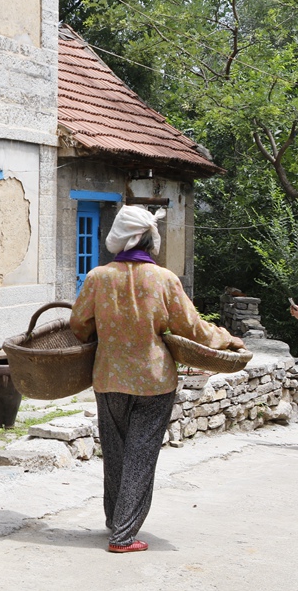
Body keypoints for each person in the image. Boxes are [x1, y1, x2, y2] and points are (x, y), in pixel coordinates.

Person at [70, 205, 243, 554]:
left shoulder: (98, 277)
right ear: (151, 239)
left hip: (108, 377)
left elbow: (79, 325)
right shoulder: (164, 280)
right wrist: (228, 339)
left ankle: (115, 520)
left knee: (116, 453)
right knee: (141, 456)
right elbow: (192, 329)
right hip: (154, 381)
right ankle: (123, 535)